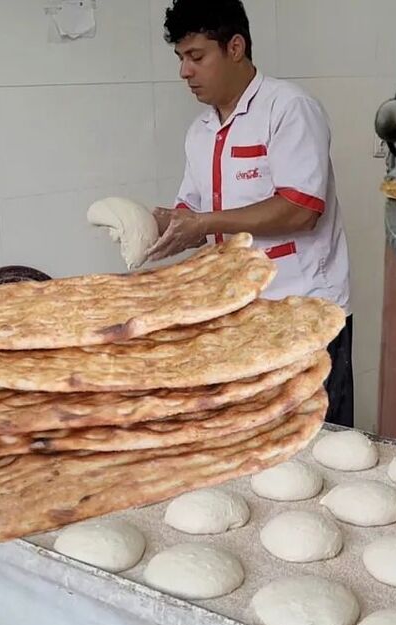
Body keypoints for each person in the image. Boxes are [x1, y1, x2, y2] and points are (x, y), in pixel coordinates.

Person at [147, 0, 353, 427]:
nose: (185, 71)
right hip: (240, 312)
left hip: (304, 312)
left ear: (235, 47)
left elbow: (301, 209)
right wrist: (155, 225)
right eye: (181, 58)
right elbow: (193, 212)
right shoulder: (200, 132)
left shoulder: (287, 108)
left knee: (321, 438)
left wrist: (205, 222)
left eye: (196, 57)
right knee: (258, 440)